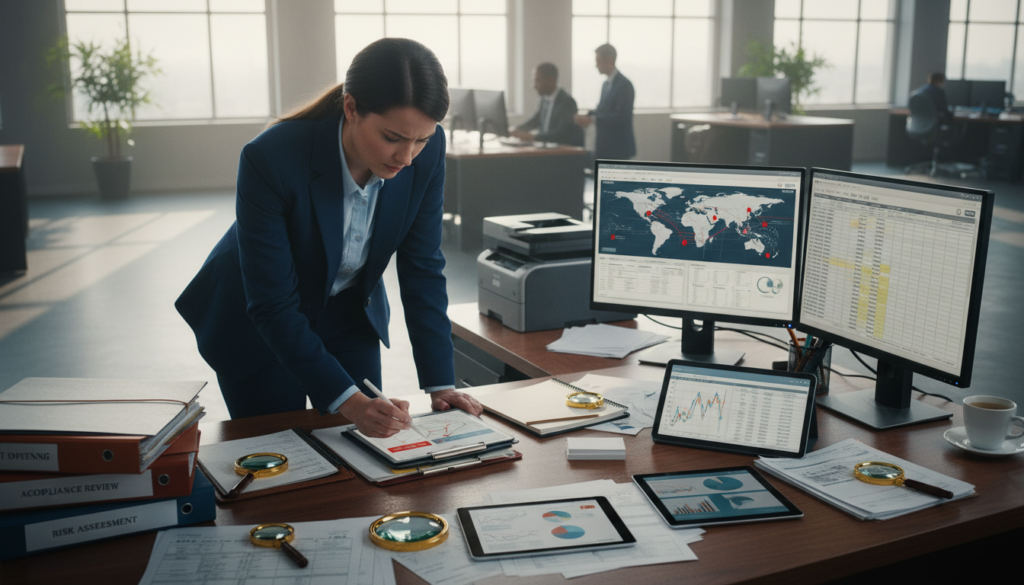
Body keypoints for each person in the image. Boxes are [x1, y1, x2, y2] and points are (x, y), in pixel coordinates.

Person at [175, 38, 482, 437]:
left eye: (420, 140)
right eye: (392, 137)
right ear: (351, 108)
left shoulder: (428, 149)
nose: (407, 157)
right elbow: (272, 305)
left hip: (348, 309)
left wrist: (441, 384)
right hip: (256, 320)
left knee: (364, 452)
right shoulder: (270, 157)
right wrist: (350, 403)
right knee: (279, 457)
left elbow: (423, 266)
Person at [574, 43, 636, 160]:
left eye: (598, 61)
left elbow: (622, 116)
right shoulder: (605, 84)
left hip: (618, 147)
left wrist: (593, 119)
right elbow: (603, 110)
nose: (596, 65)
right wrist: (588, 115)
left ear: (609, 60)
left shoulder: (625, 85)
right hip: (604, 146)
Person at [509, 63, 584, 146]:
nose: (533, 86)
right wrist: (516, 130)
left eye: (537, 81)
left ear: (550, 80)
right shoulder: (544, 99)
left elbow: (560, 133)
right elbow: (535, 120)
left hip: (561, 151)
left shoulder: (567, 102)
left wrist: (532, 137)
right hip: (545, 148)